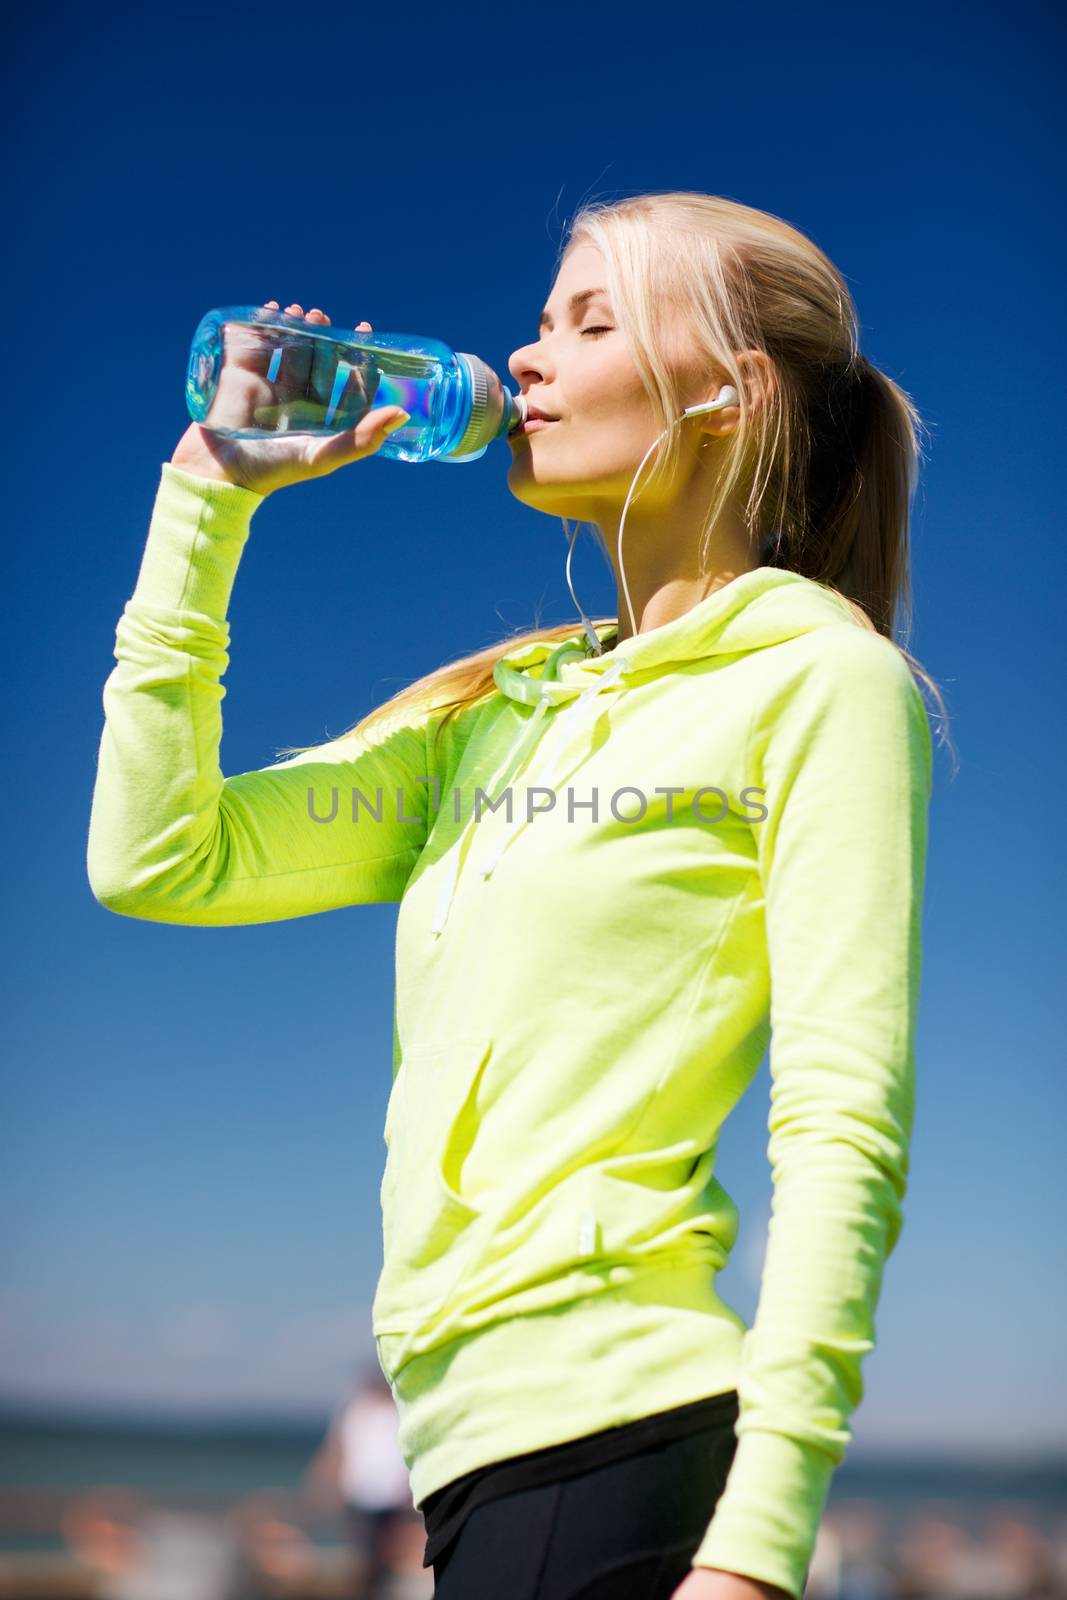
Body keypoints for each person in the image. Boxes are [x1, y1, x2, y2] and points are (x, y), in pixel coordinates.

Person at [87, 190, 949, 1600]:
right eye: (539, 323)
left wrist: (757, 1550)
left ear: (730, 394)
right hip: (469, 1465)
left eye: (591, 322)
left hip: (622, 1445)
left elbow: (842, 1121)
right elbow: (157, 858)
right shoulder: (500, 714)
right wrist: (208, 497)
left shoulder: (822, 684)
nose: (529, 360)